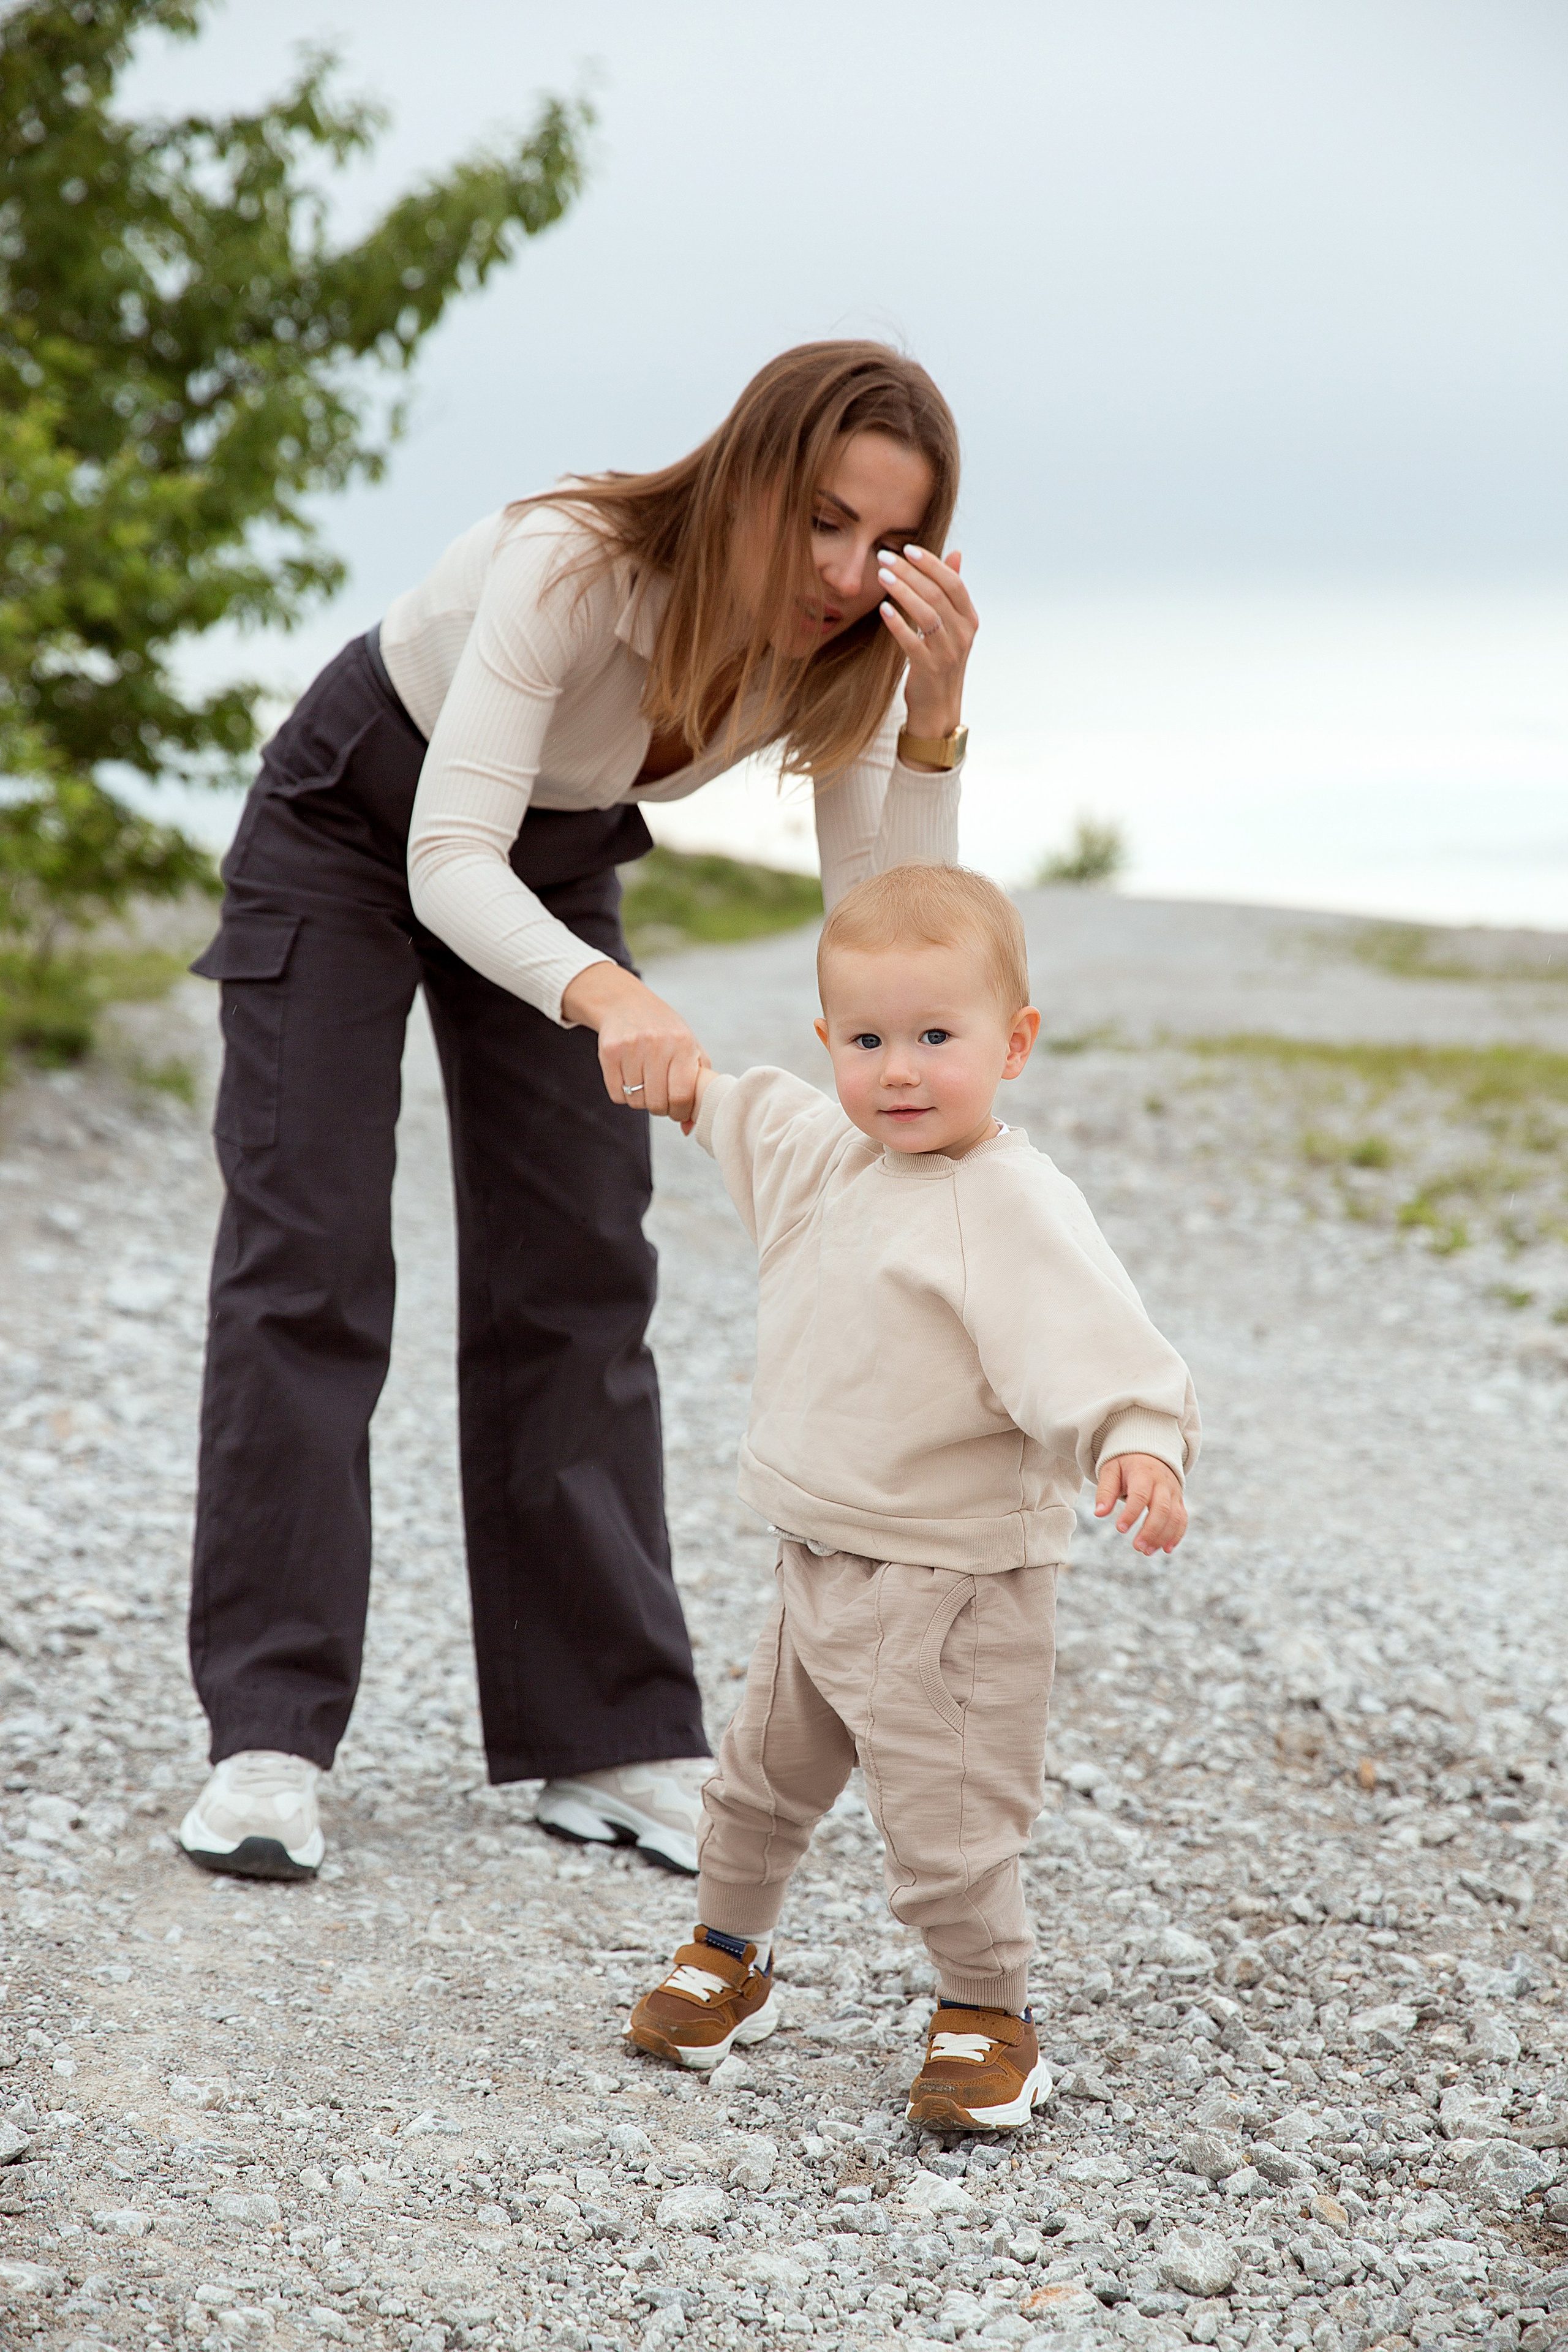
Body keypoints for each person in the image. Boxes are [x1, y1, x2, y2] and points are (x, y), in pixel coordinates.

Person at [176, 342, 980, 1885]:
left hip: (547, 857)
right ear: (745, 478)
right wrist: (612, 996)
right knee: (311, 1253)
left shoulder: (853, 652)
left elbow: (885, 931)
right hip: (356, 821)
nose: (843, 573)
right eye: (821, 519)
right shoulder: (571, 559)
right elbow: (444, 857)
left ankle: (605, 1736)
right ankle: (266, 1741)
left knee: (582, 1265)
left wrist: (931, 716)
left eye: (887, 541)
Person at [625, 865, 1199, 2129]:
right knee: (756, 1782)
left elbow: (1095, 1336)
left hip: (955, 1580)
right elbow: (740, 1111)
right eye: (868, 1041)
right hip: (818, 1555)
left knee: (948, 1817)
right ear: (827, 1041)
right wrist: (675, 1076)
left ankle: (988, 2012)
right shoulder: (829, 1162)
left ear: (1014, 1043)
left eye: (937, 1038)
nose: (900, 1071)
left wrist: (1137, 1438)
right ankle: (728, 1952)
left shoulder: (1010, 1202)